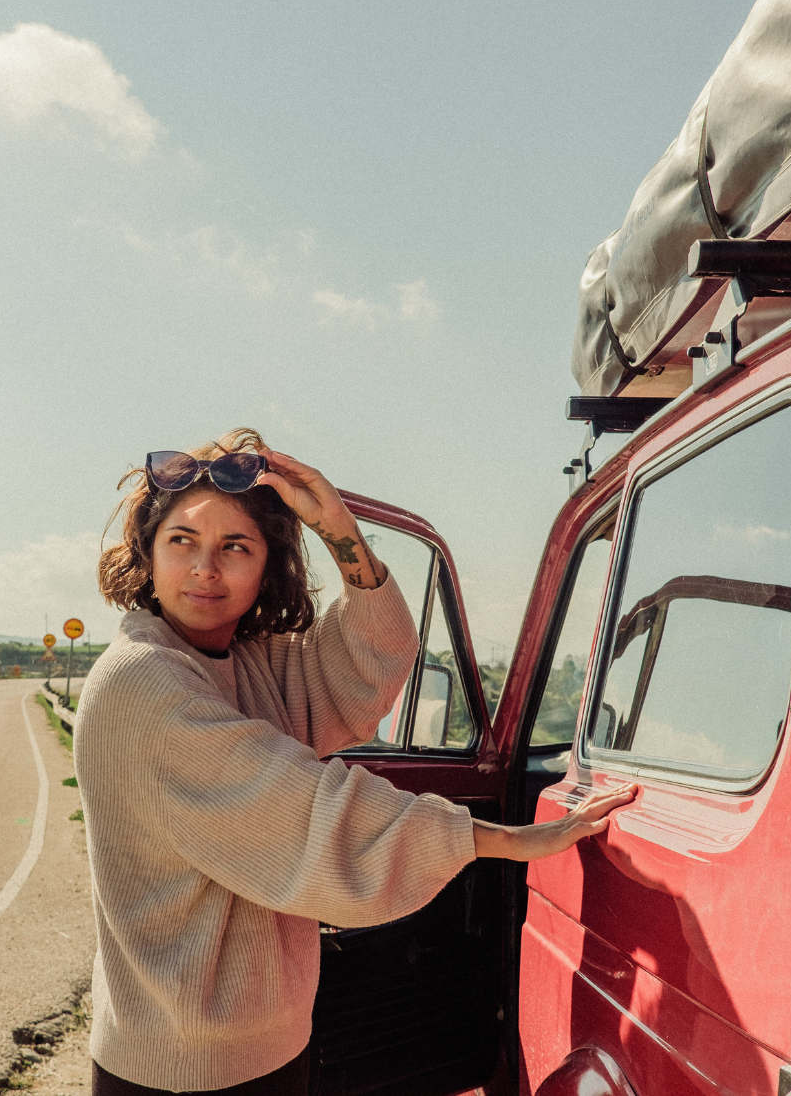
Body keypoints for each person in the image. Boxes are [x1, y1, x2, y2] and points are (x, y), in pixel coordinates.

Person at [75, 428, 634, 1095]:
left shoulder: (246, 660)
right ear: (148, 552)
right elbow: (309, 813)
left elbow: (372, 660)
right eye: (182, 541)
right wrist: (508, 841)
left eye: (235, 547)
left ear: (267, 567)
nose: (206, 569)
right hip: (179, 1070)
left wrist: (337, 528)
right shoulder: (142, 681)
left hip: (270, 1046)